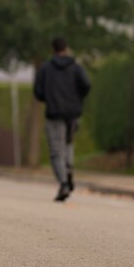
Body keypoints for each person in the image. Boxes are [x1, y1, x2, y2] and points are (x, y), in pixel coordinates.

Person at [33, 37, 91, 202]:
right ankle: (69, 168)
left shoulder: (45, 68)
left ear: (53, 49)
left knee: (56, 151)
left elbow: (38, 92)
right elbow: (87, 85)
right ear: (67, 48)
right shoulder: (76, 67)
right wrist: (76, 99)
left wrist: (50, 98)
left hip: (54, 113)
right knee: (68, 143)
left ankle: (64, 183)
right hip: (73, 113)